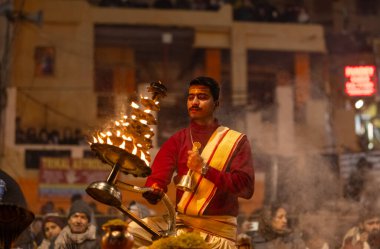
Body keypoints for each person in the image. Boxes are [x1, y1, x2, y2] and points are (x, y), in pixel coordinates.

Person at [129, 76, 255, 248]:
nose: (194, 102)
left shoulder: (236, 141)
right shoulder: (178, 140)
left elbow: (246, 188)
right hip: (180, 226)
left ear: (216, 103)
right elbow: (158, 176)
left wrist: (204, 169)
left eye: (202, 97)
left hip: (217, 234)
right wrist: (155, 188)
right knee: (132, 231)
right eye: (190, 97)